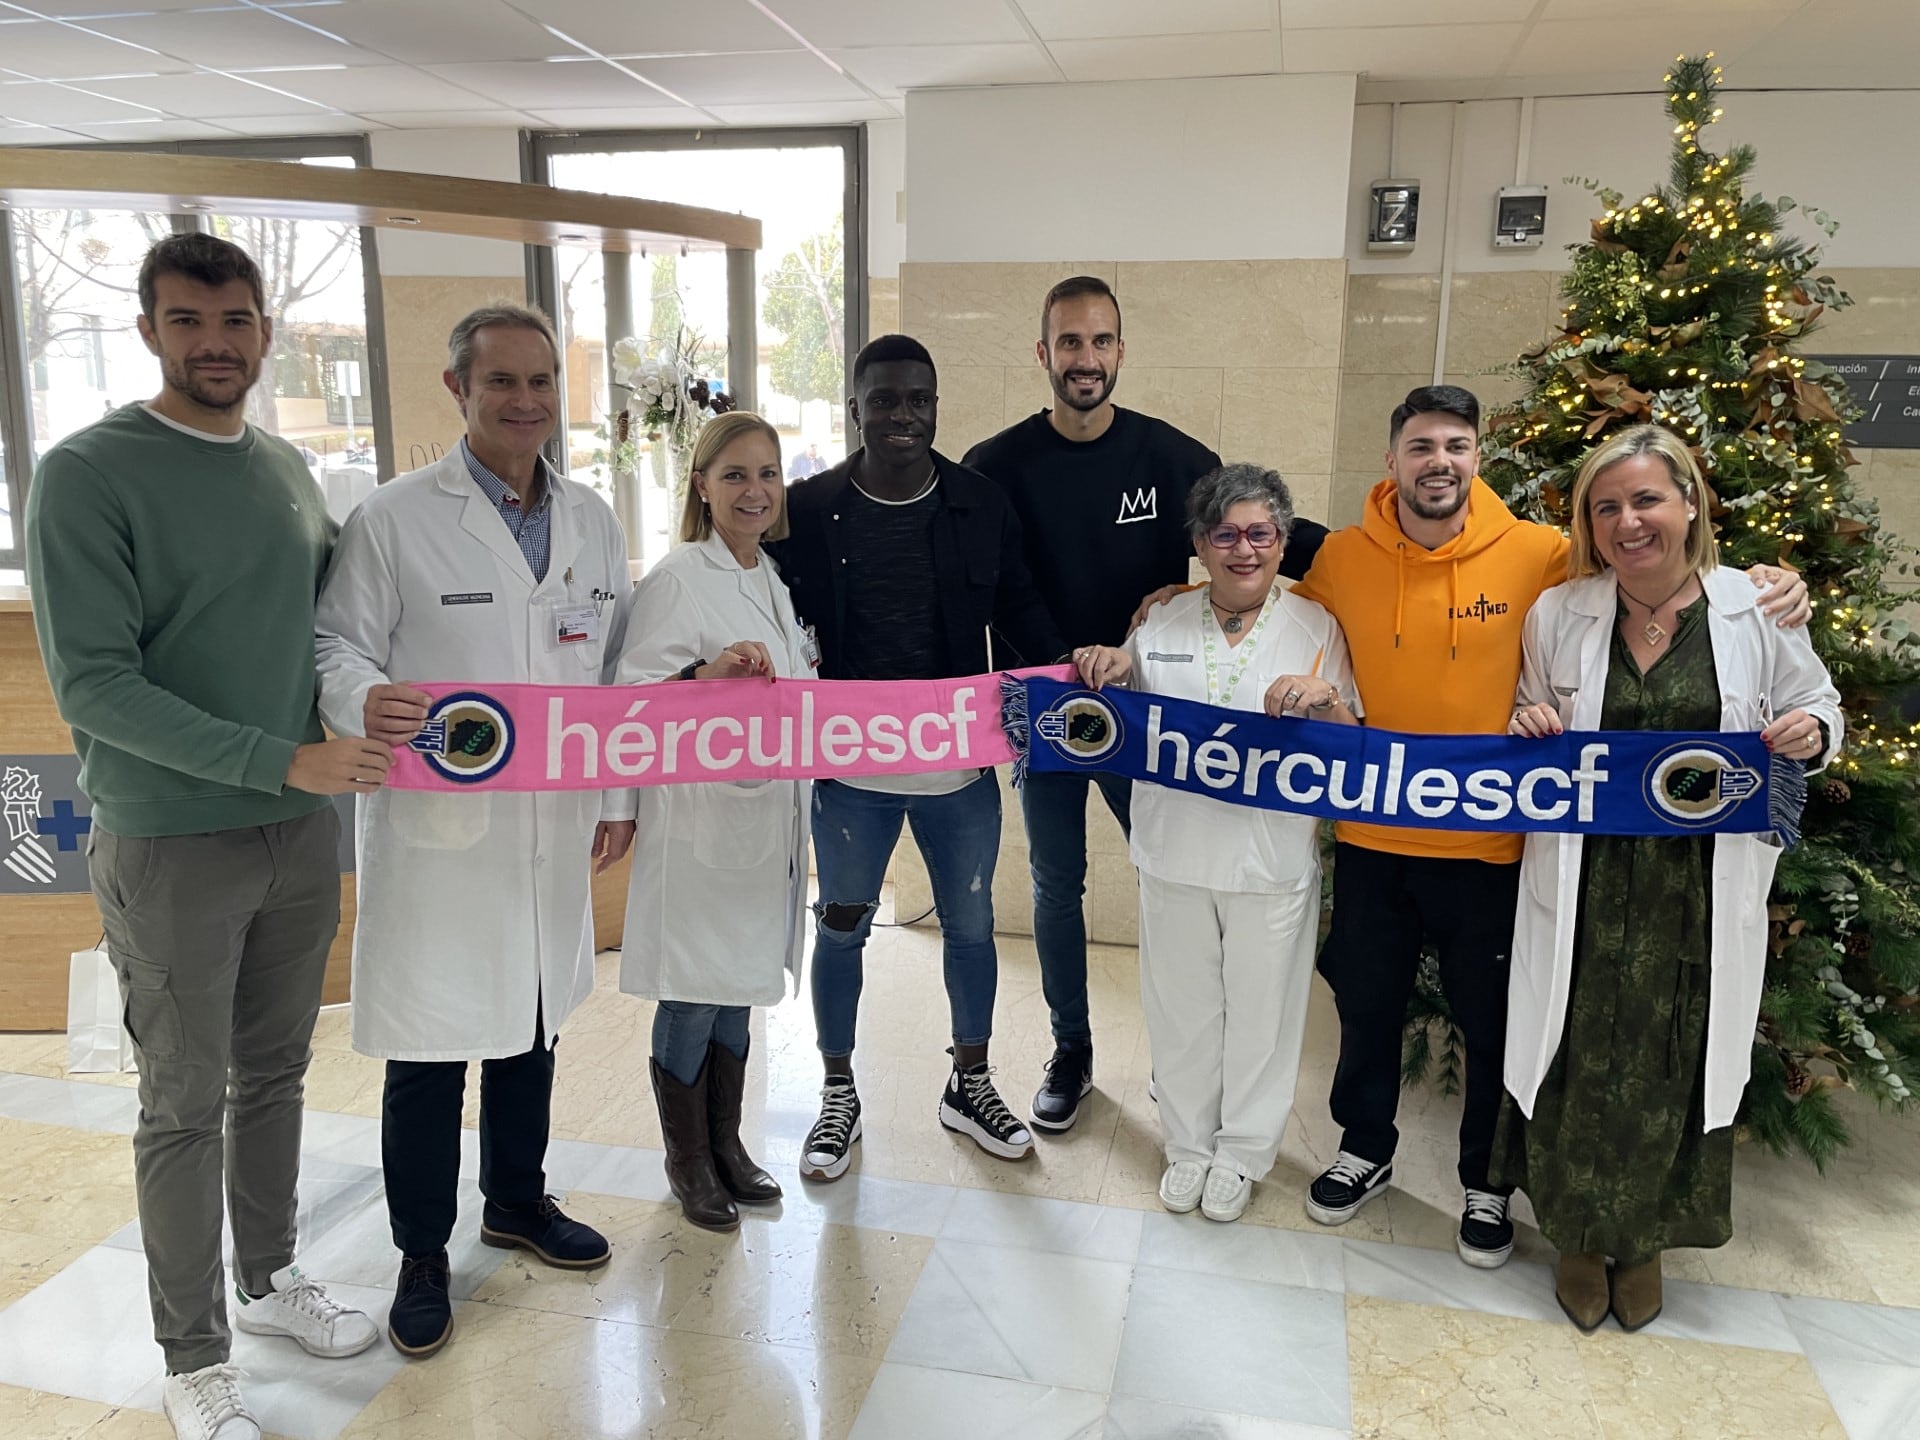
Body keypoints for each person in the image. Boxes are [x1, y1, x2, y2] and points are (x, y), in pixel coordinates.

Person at [1258, 385, 1808, 1270]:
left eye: (1457, 446)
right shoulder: (1346, 559)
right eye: (1421, 446)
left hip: (1494, 846)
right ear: (1392, 461)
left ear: (1478, 458)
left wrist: (1775, 585)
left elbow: (1656, 575)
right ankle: (1364, 1148)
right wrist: (1174, 591)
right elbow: (1271, 605)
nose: (1440, 461)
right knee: (1366, 1010)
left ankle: (1485, 1181)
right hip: (1372, 839)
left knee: (1493, 1021)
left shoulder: (1542, 555)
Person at [26, 233, 384, 1440]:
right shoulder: (88, 473)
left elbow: (331, 639)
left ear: (265, 329)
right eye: (188, 322)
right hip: (174, 836)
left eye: (234, 321)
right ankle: (194, 1357)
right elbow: (93, 686)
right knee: (182, 1101)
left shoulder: (286, 466)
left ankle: (270, 1277)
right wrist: (274, 757)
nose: (214, 343)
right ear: (149, 333)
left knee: (277, 1072)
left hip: (297, 831)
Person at [314, 303, 633, 1359]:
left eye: (541, 380)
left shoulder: (590, 519)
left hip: (550, 827)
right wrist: (366, 698)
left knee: (533, 1025)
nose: (526, 400)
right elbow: (335, 645)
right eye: (502, 381)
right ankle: (420, 1252)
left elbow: (615, 672)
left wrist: (619, 791)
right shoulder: (396, 518)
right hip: (440, 834)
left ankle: (516, 1199)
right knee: (431, 1049)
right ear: (458, 389)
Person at [965, 276, 1330, 1133]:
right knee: (1057, 885)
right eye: (1069, 343)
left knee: (1174, 880)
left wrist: (1376, 557)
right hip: (1050, 713)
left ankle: (1190, 1072)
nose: (1085, 359)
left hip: (1152, 718)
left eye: (1100, 343)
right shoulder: (996, 465)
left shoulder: (1168, 457)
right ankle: (1071, 1052)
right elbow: (983, 587)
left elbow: (1268, 530)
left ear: (1121, 352)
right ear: (1043, 354)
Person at [1498, 425, 1840, 1331]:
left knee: (1671, 1054)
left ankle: (1641, 1240)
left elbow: (1818, 704)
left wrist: (1812, 733)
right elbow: (1530, 710)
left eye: (1646, 500)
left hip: (1695, 884)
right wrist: (1529, 721)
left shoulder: (1756, 608)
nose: (1627, 522)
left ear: (1689, 504)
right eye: (1605, 508)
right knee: (1572, 1045)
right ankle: (1575, 1233)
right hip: (1584, 875)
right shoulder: (1560, 613)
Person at [766, 334, 1068, 1181]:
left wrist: (1069, 684)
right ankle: (837, 1092)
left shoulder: (978, 502)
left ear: (936, 405)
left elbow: (1019, 610)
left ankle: (968, 1083)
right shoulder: (807, 508)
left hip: (956, 765)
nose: (904, 416)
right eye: (886, 399)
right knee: (844, 928)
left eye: (920, 400)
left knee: (972, 929)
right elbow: (763, 608)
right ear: (854, 406)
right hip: (849, 769)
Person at [1073, 464, 1357, 1223]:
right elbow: (1118, 716)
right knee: (1182, 1008)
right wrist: (1111, 666)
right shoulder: (1160, 621)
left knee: (1263, 1014)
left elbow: (1351, 744)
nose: (1243, 549)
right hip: (1172, 854)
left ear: (1283, 540)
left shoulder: (1317, 627)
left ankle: (1241, 1153)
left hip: (1270, 861)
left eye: (1259, 533)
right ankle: (1190, 1146)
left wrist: (1325, 700)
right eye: (1224, 533)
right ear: (1199, 544)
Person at [613, 412, 810, 1233]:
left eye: (767, 474)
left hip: (763, 822)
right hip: (699, 823)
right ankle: (687, 1161)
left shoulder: (772, 578)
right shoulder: (677, 578)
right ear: (700, 485)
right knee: (695, 993)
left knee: (736, 994)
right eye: (734, 475)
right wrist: (706, 671)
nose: (754, 490)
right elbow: (631, 703)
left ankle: (726, 1145)